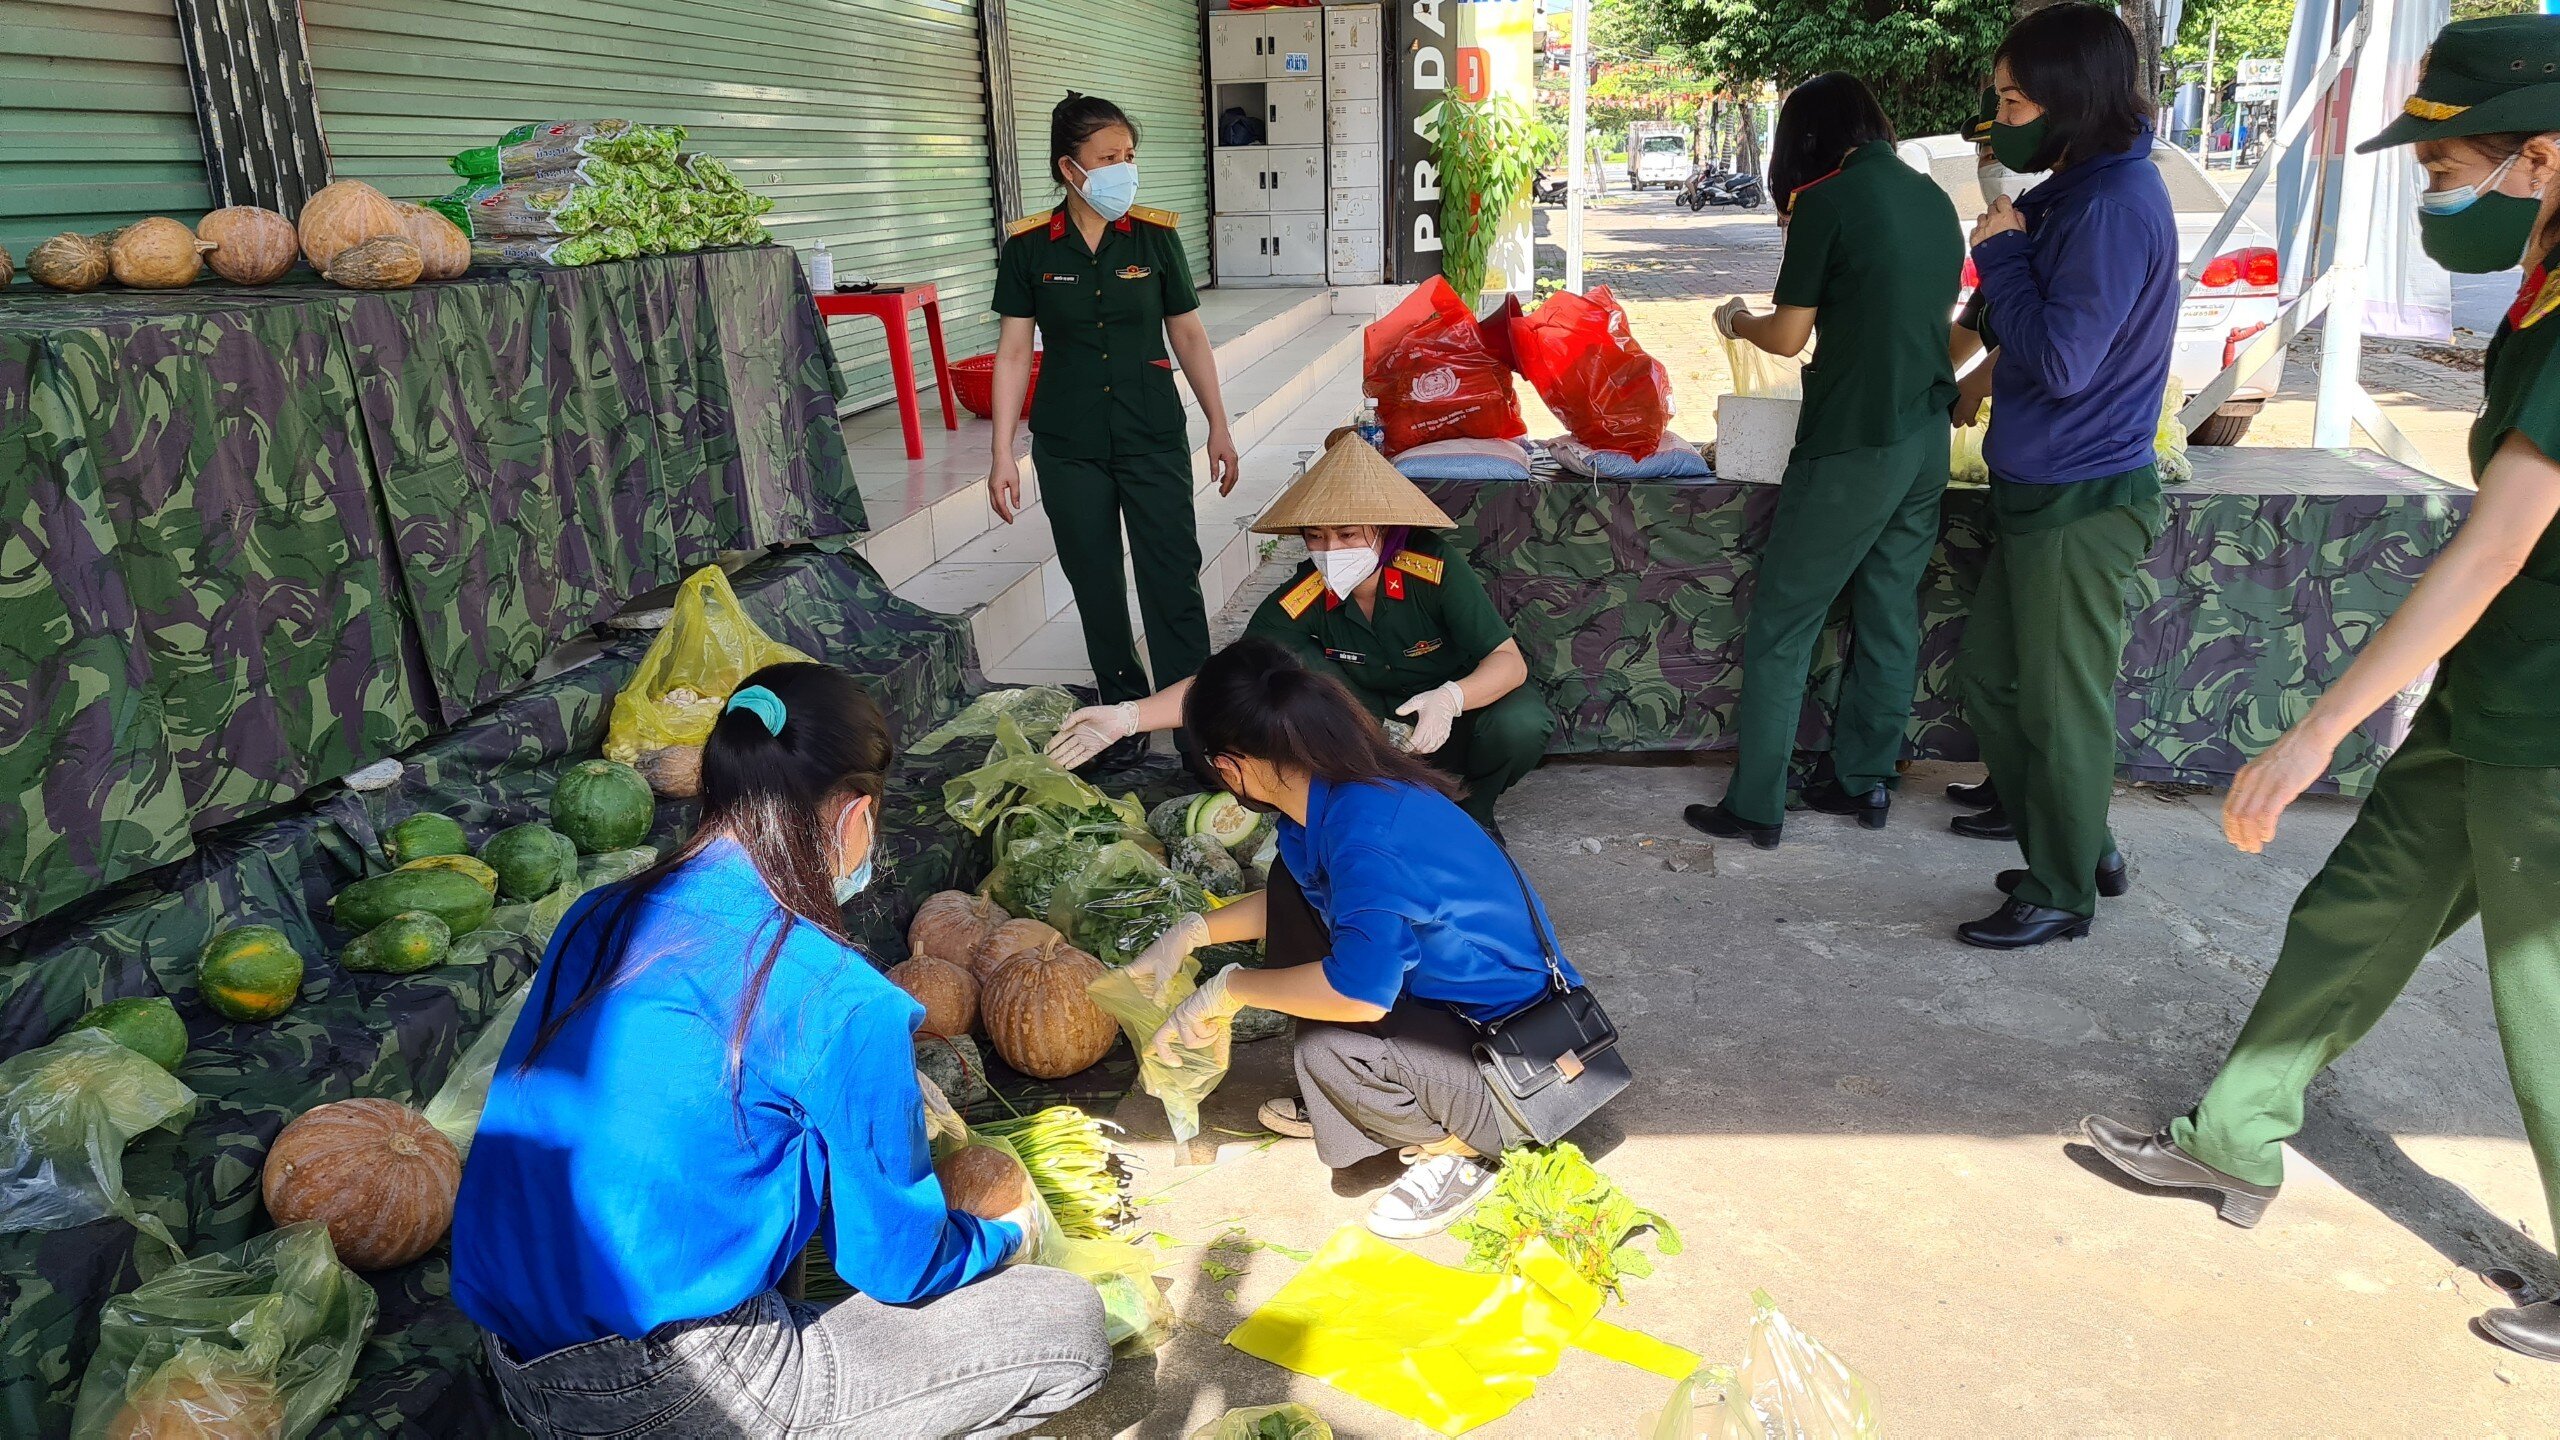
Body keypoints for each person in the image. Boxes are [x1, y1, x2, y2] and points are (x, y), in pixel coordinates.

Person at [2081, 14, 2560, 1362]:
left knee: (2546, 986)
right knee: (2358, 907)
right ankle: (2233, 1140)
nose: (2433, 190)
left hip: (2550, 716)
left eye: (2450, 165)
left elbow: (2495, 545)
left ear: (2540, 153)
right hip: (2503, 684)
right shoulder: (2549, 263)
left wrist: (2316, 731)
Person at [452, 663, 1110, 1437]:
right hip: (673, 1388)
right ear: (854, 815)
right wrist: (1002, 1234)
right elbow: (895, 1267)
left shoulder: (598, 914)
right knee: (1066, 1323)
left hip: (517, 1363)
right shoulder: (836, 996)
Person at [1117, 637, 1599, 1239]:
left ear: (1232, 765)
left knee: (1332, 1049)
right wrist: (1190, 934)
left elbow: (1360, 996)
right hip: (1453, 1000)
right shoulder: (1326, 794)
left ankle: (1467, 1145)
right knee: (1294, 897)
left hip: (1520, 1047)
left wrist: (1229, 987)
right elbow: (1307, 903)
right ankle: (1368, 1106)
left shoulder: (1366, 835)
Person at [1948, 2, 2176, 949]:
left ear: (2070, 101)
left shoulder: (2114, 208)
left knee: (2057, 701)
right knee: (1998, 684)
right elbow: (2021, 321)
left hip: (2083, 499)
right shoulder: (2080, 189)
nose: (1998, 119)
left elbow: (2066, 357)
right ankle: (2082, 844)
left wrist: (2000, 253)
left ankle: (2060, 891)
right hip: (2043, 489)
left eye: (2011, 100)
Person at [1686, 73, 1961, 849]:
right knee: (1886, 613)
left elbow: (1787, 335)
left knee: (1784, 622)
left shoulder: (1827, 202)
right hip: (1923, 439)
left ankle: (1756, 804)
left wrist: (1735, 317)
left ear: (1804, 139)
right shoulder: (1934, 199)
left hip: (1851, 442)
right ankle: (1862, 780)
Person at [1046, 436, 1554, 831]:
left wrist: (1449, 697)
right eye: (1316, 535)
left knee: (1520, 726)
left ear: (1384, 529)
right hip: (1371, 732)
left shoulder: (1432, 571)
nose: (1331, 548)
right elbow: (1232, 679)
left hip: (1455, 716)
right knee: (1289, 667)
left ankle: (1475, 812)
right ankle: (1374, 803)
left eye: (1348, 533)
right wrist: (1129, 716)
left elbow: (1508, 662)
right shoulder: (1306, 595)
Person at [990, 92, 1240, 768]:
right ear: (1070, 169)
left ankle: (1197, 734)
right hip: (1069, 445)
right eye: (1108, 159)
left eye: (1129, 157)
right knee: (1095, 585)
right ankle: (1120, 723)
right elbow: (1014, 353)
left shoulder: (1155, 236)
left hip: (1151, 433)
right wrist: (1003, 455)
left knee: (1172, 582)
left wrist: (1219, 424)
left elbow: (1187, 332)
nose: (1124, 170)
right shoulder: (1028, 248)